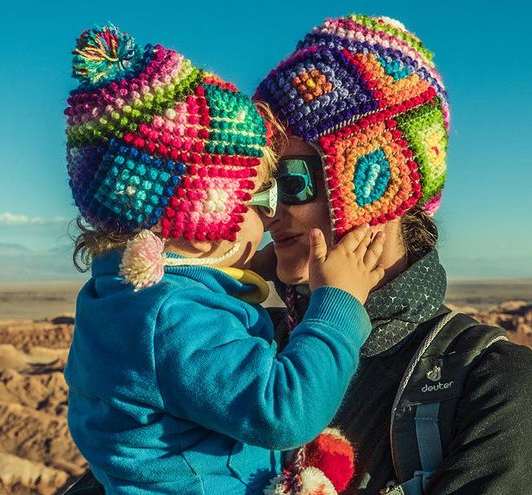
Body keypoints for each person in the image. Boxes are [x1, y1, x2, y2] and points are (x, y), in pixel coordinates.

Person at [61, 23, 386, 495]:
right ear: (206, 220)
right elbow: (283, 412)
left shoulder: (120, 297)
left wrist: (239, 271)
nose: (274, 217)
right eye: (262, 198)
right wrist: (337, 303)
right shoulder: (173, 319)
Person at [253, 14, 532, 495]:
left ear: (374, 188)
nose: (268, 214)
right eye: (260, 187)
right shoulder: (239, 348)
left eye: (289, 181)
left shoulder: (488, 381)